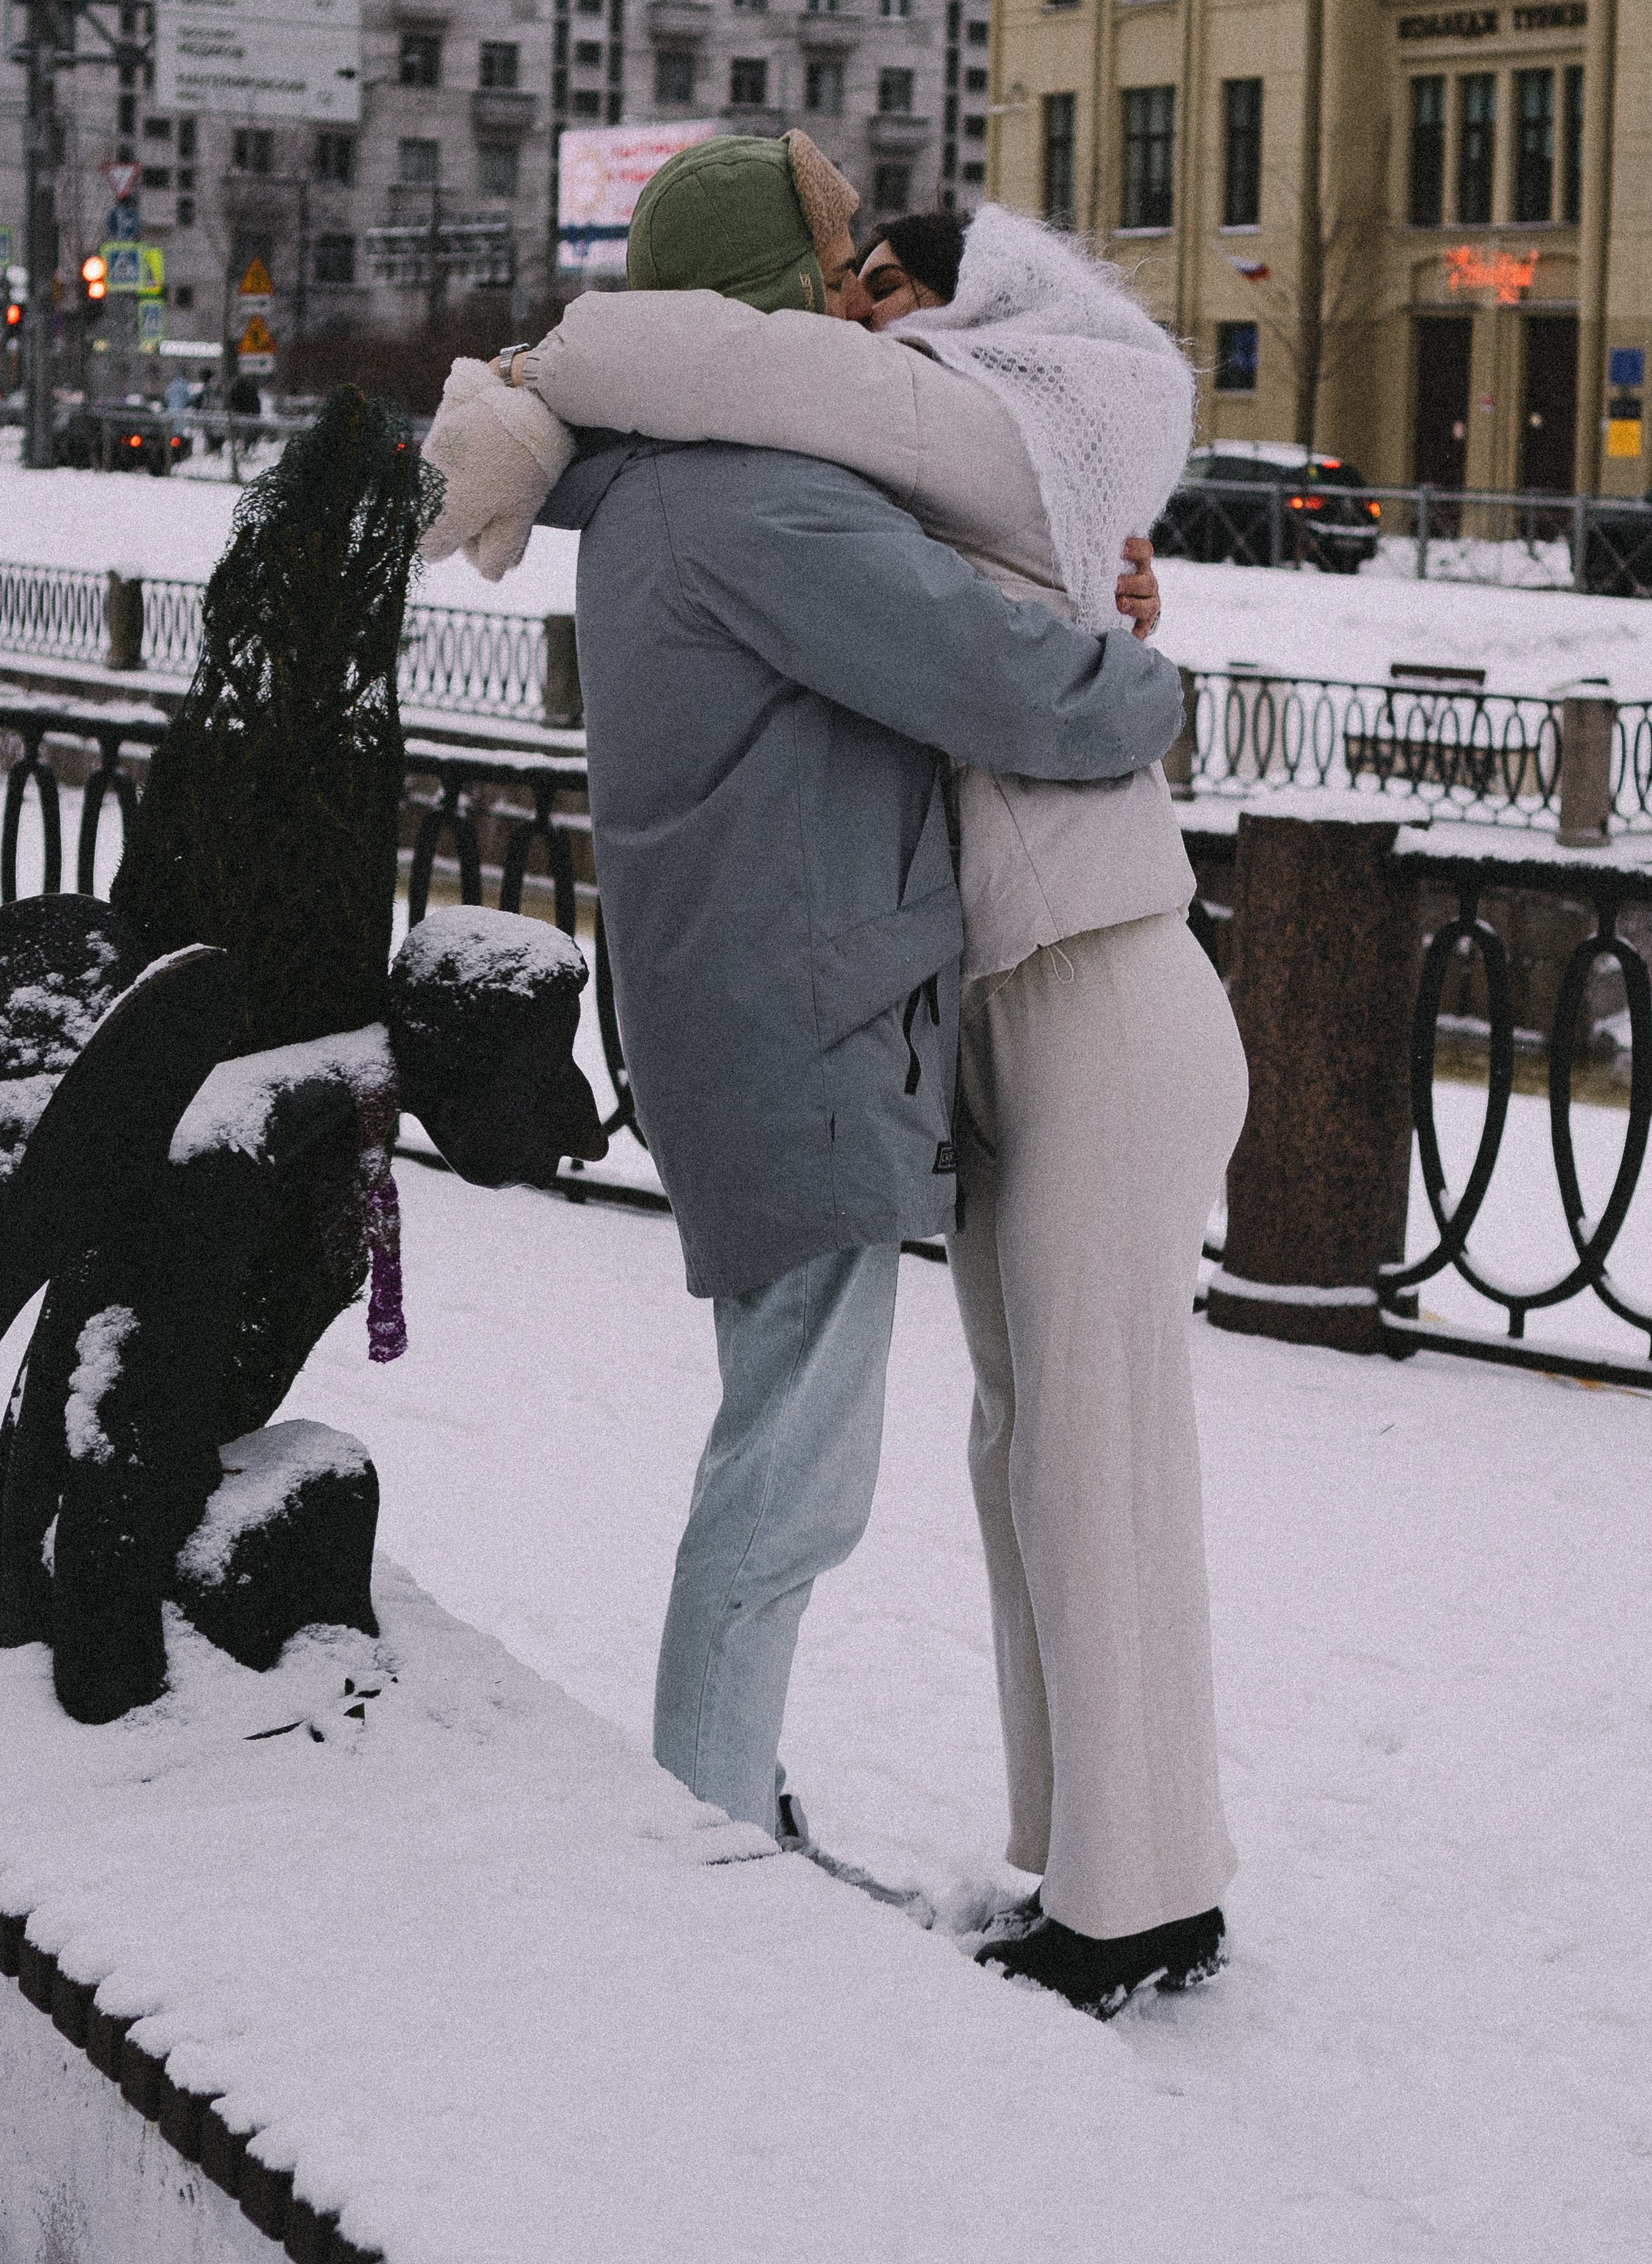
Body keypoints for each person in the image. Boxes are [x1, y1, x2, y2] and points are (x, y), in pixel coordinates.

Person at [424, 156, 1249, 2019]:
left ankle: (1126, 1900)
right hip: (923, 1015)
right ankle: (1029, 1859)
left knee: (1070, 1452)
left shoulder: (851, 466)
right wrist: (1120, 658)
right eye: (837, 273)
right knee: (997, 1451)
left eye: (892, 280)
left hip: (1089, 995)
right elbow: (1005, 668)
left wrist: (1110, 631)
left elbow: (1002, 641)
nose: (862, 309)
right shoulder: (777, 498)